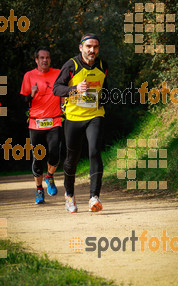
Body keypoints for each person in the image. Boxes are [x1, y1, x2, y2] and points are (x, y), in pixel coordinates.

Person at [53, 33, 108, 213]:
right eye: (89, 47)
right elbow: (56, 89)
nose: (92, 50)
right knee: (72, 159)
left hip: (95, 115)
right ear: (81, 48)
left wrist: (104, 98)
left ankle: (94, 197)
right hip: (74, 117)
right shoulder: (71, 65)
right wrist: (75, 89)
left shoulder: (102, 66)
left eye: (96, 47)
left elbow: (104, 88)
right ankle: (69, 195)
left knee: (94, 151)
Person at [20, 46, 62, 204]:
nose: (45, 60)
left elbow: (65, 88)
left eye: (48, 58)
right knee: (38, 158)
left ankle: (49, 176)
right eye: (42, 58)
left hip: (55, 120)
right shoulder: (29, 76)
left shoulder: (57, 73)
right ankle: (39, 190)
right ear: (36, 60)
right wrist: (32, 94)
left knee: (54, 153)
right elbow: (23, 101)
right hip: (35, 122)